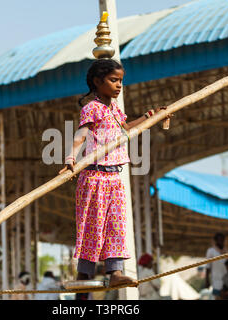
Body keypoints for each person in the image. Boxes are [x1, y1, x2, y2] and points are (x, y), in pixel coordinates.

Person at [59, 58, 171, 288]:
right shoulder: (92, 108)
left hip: (114, 178)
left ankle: (115, 272)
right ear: (97, 82)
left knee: (116, 225)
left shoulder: (115, 110)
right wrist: (70, 158)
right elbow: (81, 135)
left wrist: (151, 116)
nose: (119, 85)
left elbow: (127, 130)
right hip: (95, 177)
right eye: (113, 80)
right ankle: (84, 274)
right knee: (93, 225)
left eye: (121, 81)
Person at [205, 233, 228, 299]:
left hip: (226, 281)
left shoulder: (227, 251)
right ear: (216, 241)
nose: (221, 242)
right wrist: (207, 280)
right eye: (220, 240)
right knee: (217, 297)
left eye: (223, 240)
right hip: (216, 280)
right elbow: (208, 266)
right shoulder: (211, 251)